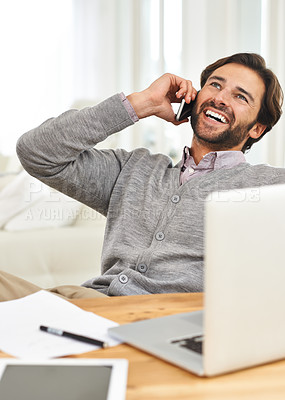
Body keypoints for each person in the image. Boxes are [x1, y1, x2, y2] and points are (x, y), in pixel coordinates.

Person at [1, 52, 284, 302]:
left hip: (168, 321)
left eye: (240, 96)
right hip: (90, 303)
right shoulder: (133, 169)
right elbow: (36, 151)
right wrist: (139, 104)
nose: (220, 98)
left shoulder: (268, 187)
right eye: (215, 84)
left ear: (257, 129)